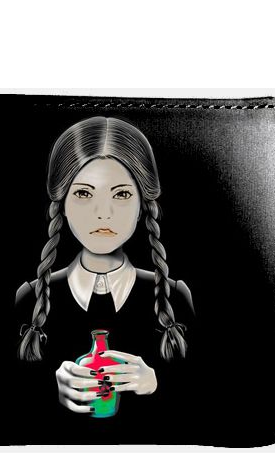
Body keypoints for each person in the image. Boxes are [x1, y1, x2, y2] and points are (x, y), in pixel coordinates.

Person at [15, 116, 195, 434]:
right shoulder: (29, 298)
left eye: (121, 195)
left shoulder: (176, 297)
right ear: (62, 204)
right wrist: (50, 392)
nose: (103, 213)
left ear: (143, 205)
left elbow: (214, 399)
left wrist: (156, 384)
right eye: (84, 194)